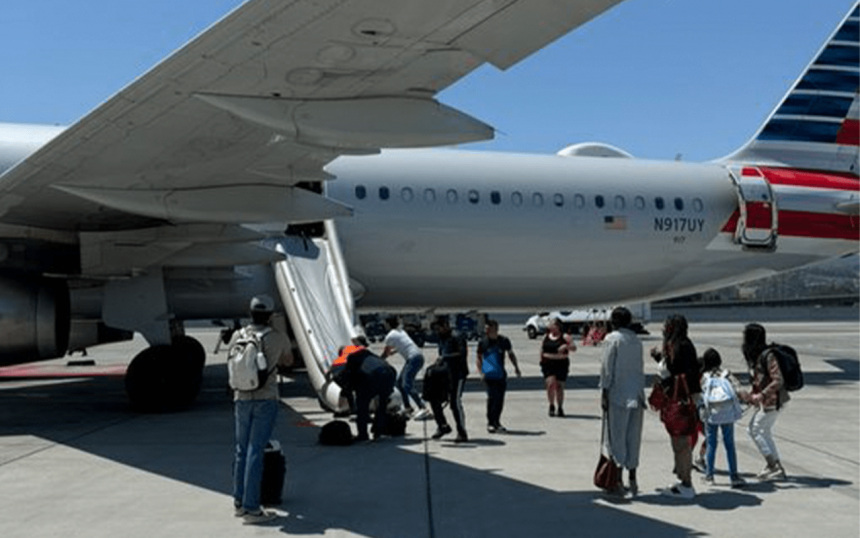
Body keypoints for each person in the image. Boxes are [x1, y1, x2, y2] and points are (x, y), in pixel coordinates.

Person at [232, 295, 291, 524]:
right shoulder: (276, 337)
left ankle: (239, 502)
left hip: (241, 397)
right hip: (265, 397)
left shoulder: (239, 335)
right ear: (269, 315)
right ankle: (252, 508)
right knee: (256, 451)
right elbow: (287, 361)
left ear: (250, 313)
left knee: (241, 450)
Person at [650, 314, 701, 499]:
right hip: (683, 400)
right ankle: (683, 480)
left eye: (666, 326)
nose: (664, 329)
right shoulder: (683, 345)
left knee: (681, 443)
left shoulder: (679, 346)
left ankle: (686, 484)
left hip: (679, 400)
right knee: (679, 442)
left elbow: (673, 370)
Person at [598, 307, 645, 496]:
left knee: (615, 438)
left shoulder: (612, 339)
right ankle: (632, 479)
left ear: (614, 322)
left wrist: (604, 392)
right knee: (633, 438)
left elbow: (607, 369)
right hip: (637, 394)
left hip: (618, 395)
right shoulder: (636, 341)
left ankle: (616, 480)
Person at [740, 322, 789, 481]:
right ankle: (775, 466)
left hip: (774, 401)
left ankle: (773, 465)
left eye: (746, 336)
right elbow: (759, 380)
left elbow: (778, 380)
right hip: (767, 402)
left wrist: (761, 395)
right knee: (762, 431)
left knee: (754, 429)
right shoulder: (757, 356)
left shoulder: (768, 356)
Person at [699, 348, 746, 488]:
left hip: (712, 414)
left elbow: (701, 396)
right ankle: (734, 476)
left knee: (711, 444)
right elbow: (738, 390)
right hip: (727, 414)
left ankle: (709, 476)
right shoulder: (726, 374)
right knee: (729, 445)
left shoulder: (705, 377)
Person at [332, 346, 397, 443]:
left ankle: (363, 435)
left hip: (373, 377)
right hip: (389, 373)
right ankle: (378, 433)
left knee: (362, 406)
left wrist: (346, 392)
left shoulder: (352, 358)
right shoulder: (367, 353)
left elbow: (350, 377)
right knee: (382, 406)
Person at [380, 316, 432, 420]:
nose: (384, 326)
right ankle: (408, 407)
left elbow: (386, 353)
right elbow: (404, 345)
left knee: (407, 385)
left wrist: (379, 360)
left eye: (385, 324)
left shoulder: (390, 336)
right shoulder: (400, 331)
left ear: (389, 324)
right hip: (416, 357)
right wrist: (395, 351)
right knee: (399, 383)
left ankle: (423, 407)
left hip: (414, 359)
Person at [476, 319, 521, 433]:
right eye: (485, 329)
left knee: (500, 400)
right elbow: (478, 357)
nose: (486, 331)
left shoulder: (504, 341)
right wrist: (481, 372)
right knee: (492, 399)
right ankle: (490, 423)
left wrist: (516, 367)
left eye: (488, 329)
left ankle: (497, 422)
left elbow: (511, 354)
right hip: (489, 375)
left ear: (495, 329)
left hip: (501, 375)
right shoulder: (483, 342)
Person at [429, 316, 470, 442]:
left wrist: (444, 357)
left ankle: (462, 432)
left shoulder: (457, 337)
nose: (438, 332)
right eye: (436, 330)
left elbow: (461, 354)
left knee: (455, 403)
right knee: (433, 398)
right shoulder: (442, 338)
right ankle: (442, 425)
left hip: (458, 374)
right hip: (445, 374)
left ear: (446, 325)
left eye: (439, 329)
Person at [540, 318, 575, 417]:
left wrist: (566, 346)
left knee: (560, 387)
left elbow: (574, 347)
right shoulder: (546, 337)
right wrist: (541, 360)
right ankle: (551, 405)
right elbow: (542, 349)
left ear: (558, 326)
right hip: (548, 364)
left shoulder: (565, 336)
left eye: (552, 324)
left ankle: (560, 407)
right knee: (550, 384)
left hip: (561, 363)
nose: (550, 326)